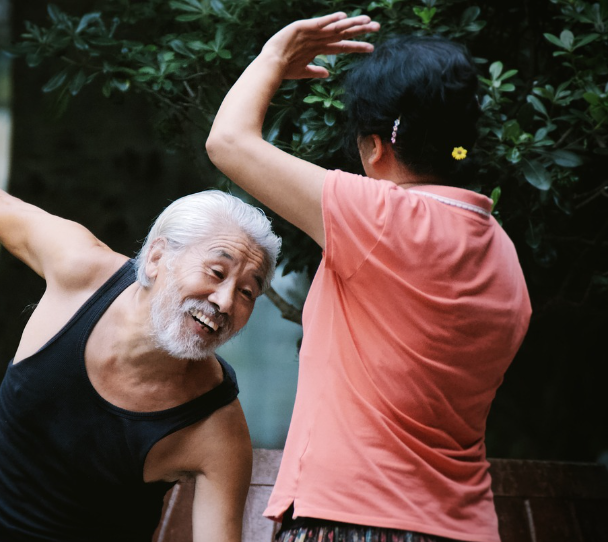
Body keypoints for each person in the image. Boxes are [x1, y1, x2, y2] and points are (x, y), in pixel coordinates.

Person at [0, 86, 282, 542]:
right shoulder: (81, 271)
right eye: (216, 271)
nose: (224, 302)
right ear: (157, 258)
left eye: (247, 292)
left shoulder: (216, 427)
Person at [206, 11, 531, 542]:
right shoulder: (503, 252)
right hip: (465, 528)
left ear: (375, 145)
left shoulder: (381, 217)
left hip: (354, 520)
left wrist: (273, 57)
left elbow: (228, 143)